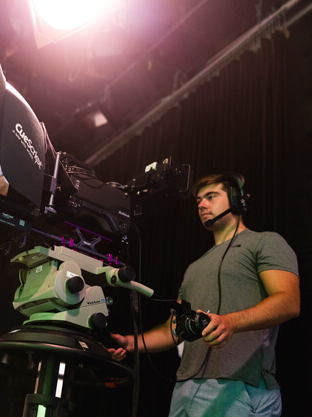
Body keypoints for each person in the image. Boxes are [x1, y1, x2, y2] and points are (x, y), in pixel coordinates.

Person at [108, 173, 300, 417]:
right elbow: (174, 329)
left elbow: (289, 301)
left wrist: (230, 322)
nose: (201, 204)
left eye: (211, 196)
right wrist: (132, 343)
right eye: (198, 200)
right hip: (184, 389)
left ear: (236, 200)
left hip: (239, 386)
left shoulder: (265, 242)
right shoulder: (194, 267)